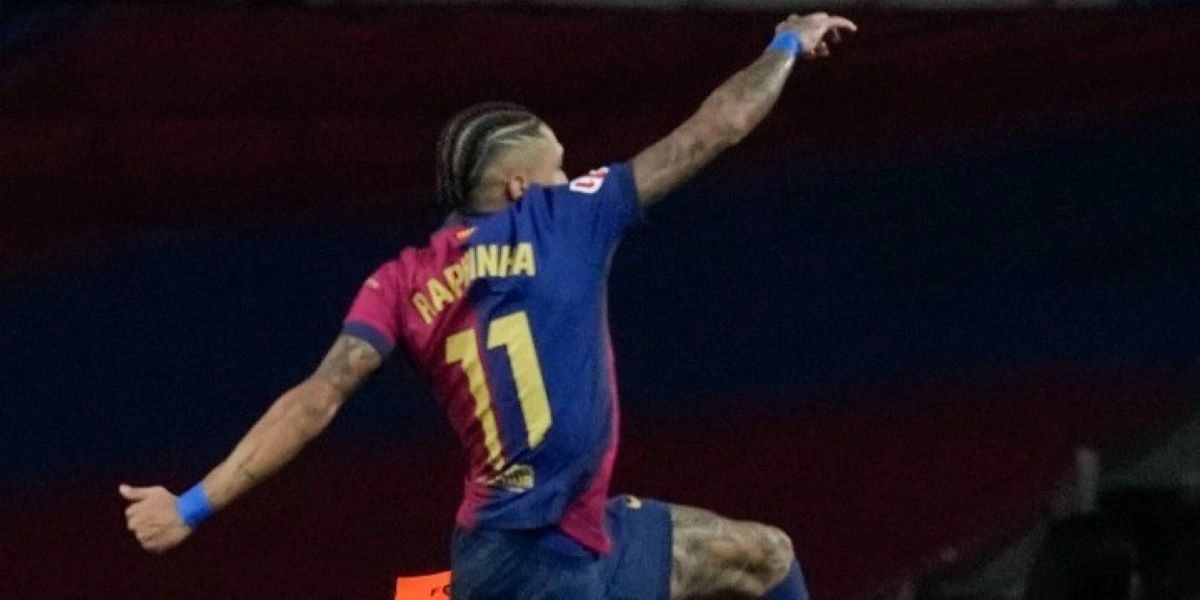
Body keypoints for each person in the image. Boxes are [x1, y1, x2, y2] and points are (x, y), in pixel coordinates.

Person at [121, 12, 857, 599]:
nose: (570, 176)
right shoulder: (567, 217)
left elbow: (316, 401)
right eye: (559, 167)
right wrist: (786, 43)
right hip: (538, 570)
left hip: (560, 540)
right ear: (517, 189)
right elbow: (715, 127)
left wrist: (190, 507)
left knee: (766, 555)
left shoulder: (400, 281)